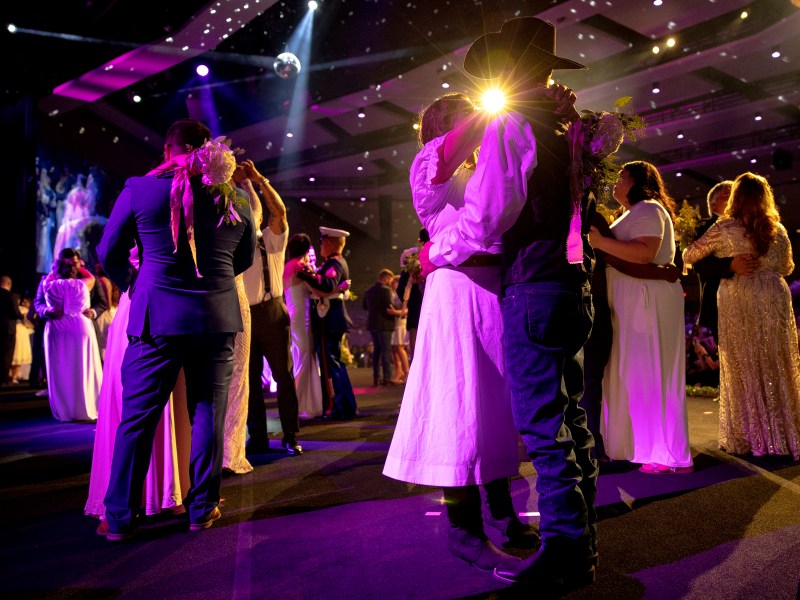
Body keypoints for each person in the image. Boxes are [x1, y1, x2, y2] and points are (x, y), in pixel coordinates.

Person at [419, 18, 598, 589]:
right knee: (573, 421)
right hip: (572, 283)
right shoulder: (570, 128)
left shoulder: (512, 125)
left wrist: (439, 250)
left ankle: (567, 553)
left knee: (547, 431)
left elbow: (492, 214)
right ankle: (582, 541)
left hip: (530, 285)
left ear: (503, 73)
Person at [385, 90, 546, 572]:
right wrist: (503, 102)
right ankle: (464, 530)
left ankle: (503, 513)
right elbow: (460, 142)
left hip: (496, 292)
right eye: (462, 114)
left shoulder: (481, 170)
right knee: (461, 409)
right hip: (456, 295)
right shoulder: (427, 164)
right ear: (442, 124)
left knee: (493, 410)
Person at [97, 118, 256, 540]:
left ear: (169, 150)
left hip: (157, 320)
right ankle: (201, 510)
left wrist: (137, 281)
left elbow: (108, 252)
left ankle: (118, 518)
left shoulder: (140, 188)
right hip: (217, 320)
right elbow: (244, 260)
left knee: (138, 419)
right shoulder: (236, 197)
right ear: (208, 149)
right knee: (208, 414)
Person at [683, 172, 800, 460]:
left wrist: (728, 261)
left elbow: (689, 254)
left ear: (736, 197)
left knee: (743, 363)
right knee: (776, 361)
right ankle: (784, 433)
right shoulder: (779, 230)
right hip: (774, 296)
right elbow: (787, 267)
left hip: (740, 298)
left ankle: (750, 436)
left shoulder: (724, 228)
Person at [588, 161, 693, 476]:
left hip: (647, 300)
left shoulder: (649, 208)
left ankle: (669, 453)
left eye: (621, 177)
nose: (615, 183)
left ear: (638, 180)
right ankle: (645, 446)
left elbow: (646, 253)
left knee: (653, 371)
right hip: (633, 301)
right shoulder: (631, 213)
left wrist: (599, 242)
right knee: (637, 374)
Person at [86, 248, 190, 525]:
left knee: (173, 400)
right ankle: (125, 499)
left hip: (177, 308)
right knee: (135, 403)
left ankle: (173, 490)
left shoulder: (189, 206)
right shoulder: (133, 206)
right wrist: (133, 280)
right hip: (138, 308)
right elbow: (108, 250)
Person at [241, 161, 303, 456]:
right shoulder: (233, 247)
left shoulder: (272, 238)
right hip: (244, 316)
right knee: (249, 381)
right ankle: (258, 437)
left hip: (273, 312)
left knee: (283, 375)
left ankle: (290, 434)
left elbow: (279, 212)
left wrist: (256, 180)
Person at [297, 227, 357, 420]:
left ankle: (340, 406)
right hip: (331, 319)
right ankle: (346, 405)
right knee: (334, 363)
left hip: (329, 320)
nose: (321, 245)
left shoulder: (334, 263)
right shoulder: (335, 263)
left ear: (330, 243)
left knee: (331, 364)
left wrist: (305, 274)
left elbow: (326, 285)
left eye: (323, 242)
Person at [691, 181, 758, 342]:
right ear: (713, 206)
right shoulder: (703, 227)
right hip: (721, 304)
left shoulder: (752, 225)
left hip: (753, 300)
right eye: (727, 196)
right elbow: (700, 263)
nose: (734, 198)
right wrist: (730, 265)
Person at [42, 256, 102, 422]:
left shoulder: (48, 285)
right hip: (80, 326)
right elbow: (91, 276)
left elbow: (49, 277)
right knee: (82, 366)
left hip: (57, 327)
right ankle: (85, 406)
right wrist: (79, 265)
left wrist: (56, 270)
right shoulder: (84, 284)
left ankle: (65, 410)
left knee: (60, 368)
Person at [283, 233, 323, 419]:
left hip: (292, 315)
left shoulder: (287, 267)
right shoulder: (301, 266)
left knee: (299, 358)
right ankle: (299, 404)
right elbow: (316, 289)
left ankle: (299, 403)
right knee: (304, 358)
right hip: (303, 318)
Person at [363, 269, 403, 386]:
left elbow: (365, 307)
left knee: (376, 351)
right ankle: (387, 377)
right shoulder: (386, 291)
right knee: (386, 351)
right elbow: (390, 306)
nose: (390, 283)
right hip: (385, 324)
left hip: (372, 324)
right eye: (390, 280)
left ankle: (376, 377)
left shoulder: (369, 291)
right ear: (385, 278)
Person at [0, 275, 23, 385]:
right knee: (6, 354)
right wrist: (22, 316)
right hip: (8, 328)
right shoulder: (12, 296)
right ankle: (3, 379)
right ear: (9, 284)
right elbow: (15, 311)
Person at [389, 274, 410, 383]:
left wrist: (395, 312)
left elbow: (407, 309)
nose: (392, 284)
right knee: (395, 349)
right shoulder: (393, 294)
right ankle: (399, 372)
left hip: (401, 322)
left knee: (400, 347)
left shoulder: (403, 294)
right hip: (395, 323)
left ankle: (407, 372)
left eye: (394, 282)